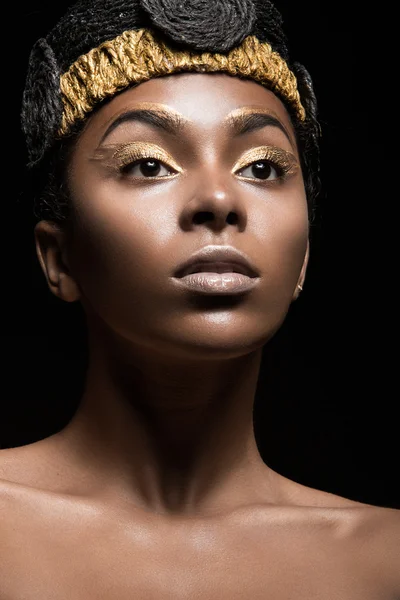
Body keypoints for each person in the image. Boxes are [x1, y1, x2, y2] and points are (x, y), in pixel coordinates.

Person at [1, 0, 399, 597]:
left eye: (262, 169)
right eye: (148, 165)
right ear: (59, 258)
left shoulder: (383, 563)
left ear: (305, 258)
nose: (218, 198)